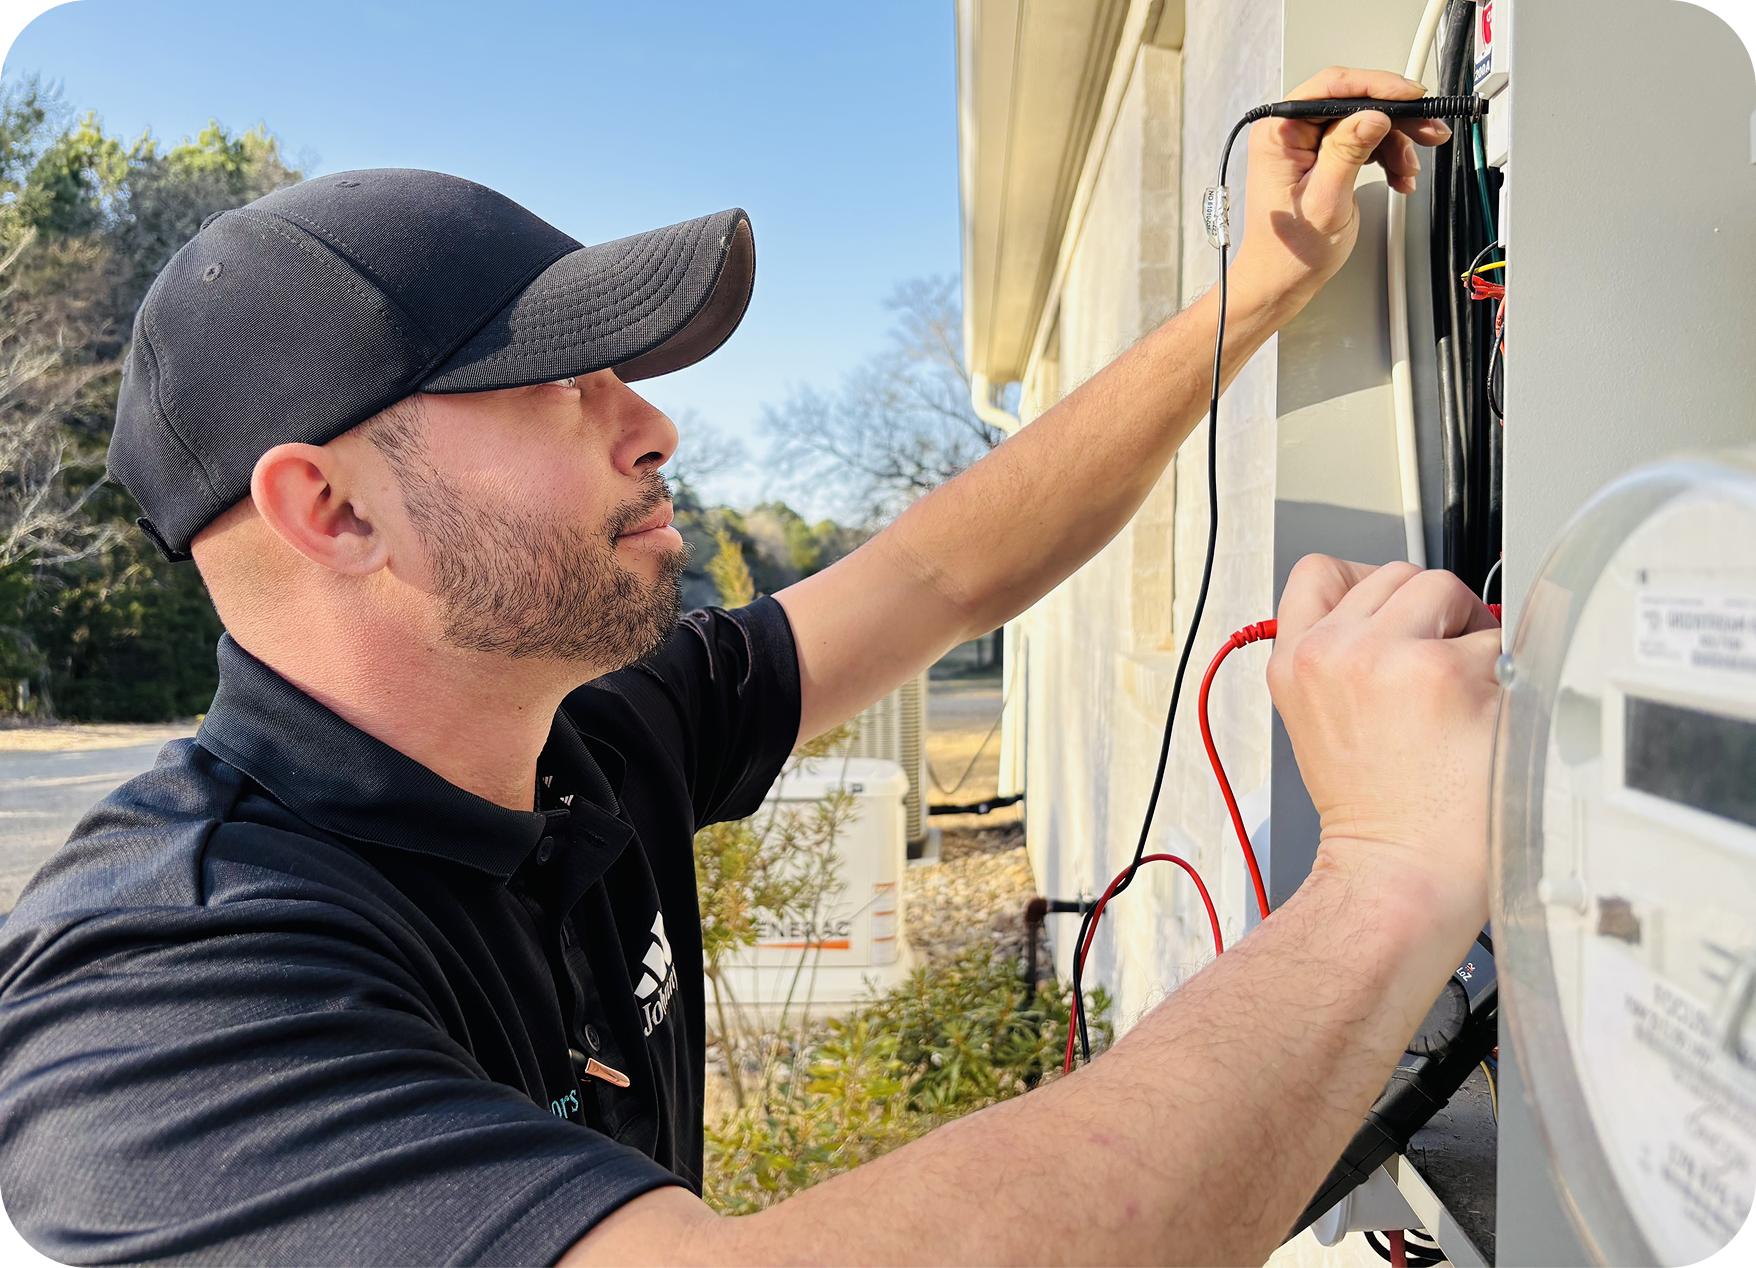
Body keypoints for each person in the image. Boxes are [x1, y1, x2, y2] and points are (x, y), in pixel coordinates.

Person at [0, 67, 1501, 1268]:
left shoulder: (575, 737)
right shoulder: (165, 1014)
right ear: (329, 511)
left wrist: (1257, 294)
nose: (651, 425)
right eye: (553, 386)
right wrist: (1389, 870)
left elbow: (938, 573)